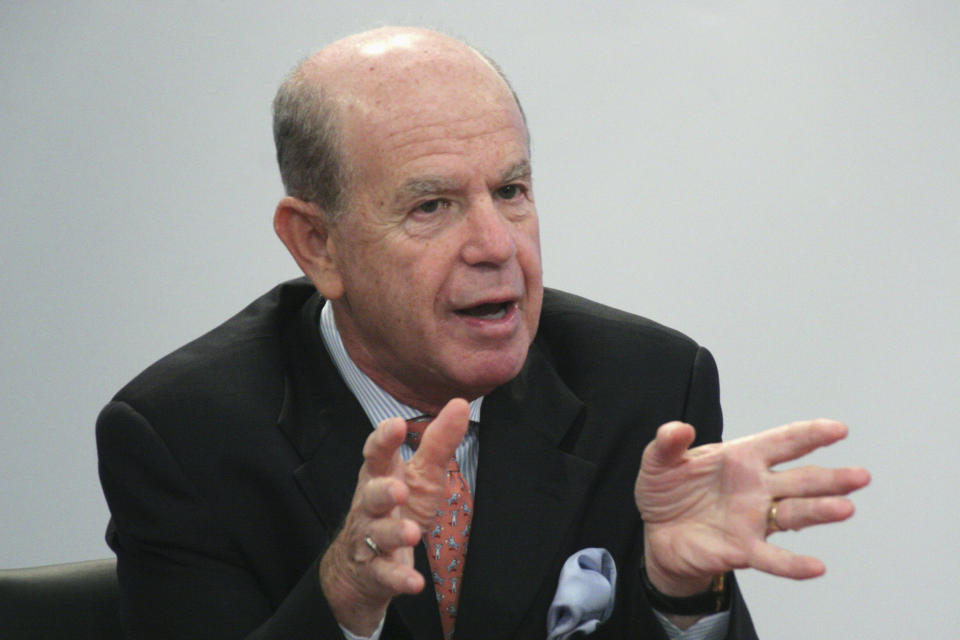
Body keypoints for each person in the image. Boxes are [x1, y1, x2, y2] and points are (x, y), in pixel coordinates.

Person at [96, 26, 870, 640]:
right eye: (430, 205)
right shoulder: (182, 437)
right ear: (317, 246)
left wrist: (683, 600)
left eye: (511, 190)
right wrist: (344, 596)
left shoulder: (647, 388)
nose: (497, 245)